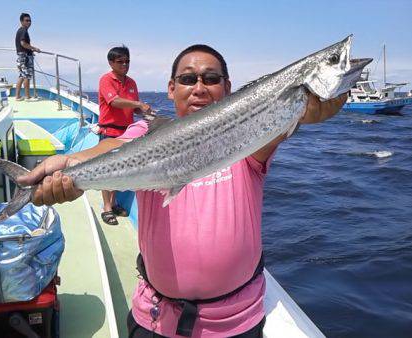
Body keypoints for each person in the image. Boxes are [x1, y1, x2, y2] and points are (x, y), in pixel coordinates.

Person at [17, 45, 347, 337]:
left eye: (211, 78)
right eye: (188, 80)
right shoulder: (147, 130)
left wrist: (307, 112)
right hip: (156, 319)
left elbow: (281, 123)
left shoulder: (247, 140)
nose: (199, 88)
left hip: (238, 322)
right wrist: (68, 164)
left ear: (227, 88)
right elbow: (115, 145)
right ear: (171, 89)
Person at [97, 45, 152, 225]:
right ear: (111, 63)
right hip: (109, 132)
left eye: (127, 61)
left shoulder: (131, 83)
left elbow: (132, 107)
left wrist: (144, 112)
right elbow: (115, 102)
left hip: (127, 133)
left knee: (120, 171)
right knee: (107, 171)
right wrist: (137, 103)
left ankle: (113, 204)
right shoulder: (106, 80)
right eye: (120, 62)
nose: (125, 65)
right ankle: (106, 207)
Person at [15, 13, 40, 101]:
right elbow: (23, 43)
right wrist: (34, 48)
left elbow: (23, 45)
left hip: (21, 56)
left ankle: (17, 96)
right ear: (21, 21)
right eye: (26, 20)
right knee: (26, 76)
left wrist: (30, 51)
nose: (29, 22)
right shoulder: (23, 31)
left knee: (21, 76)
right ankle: (27, 96)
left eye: (30, 21)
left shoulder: (21, 30)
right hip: (24, 56)